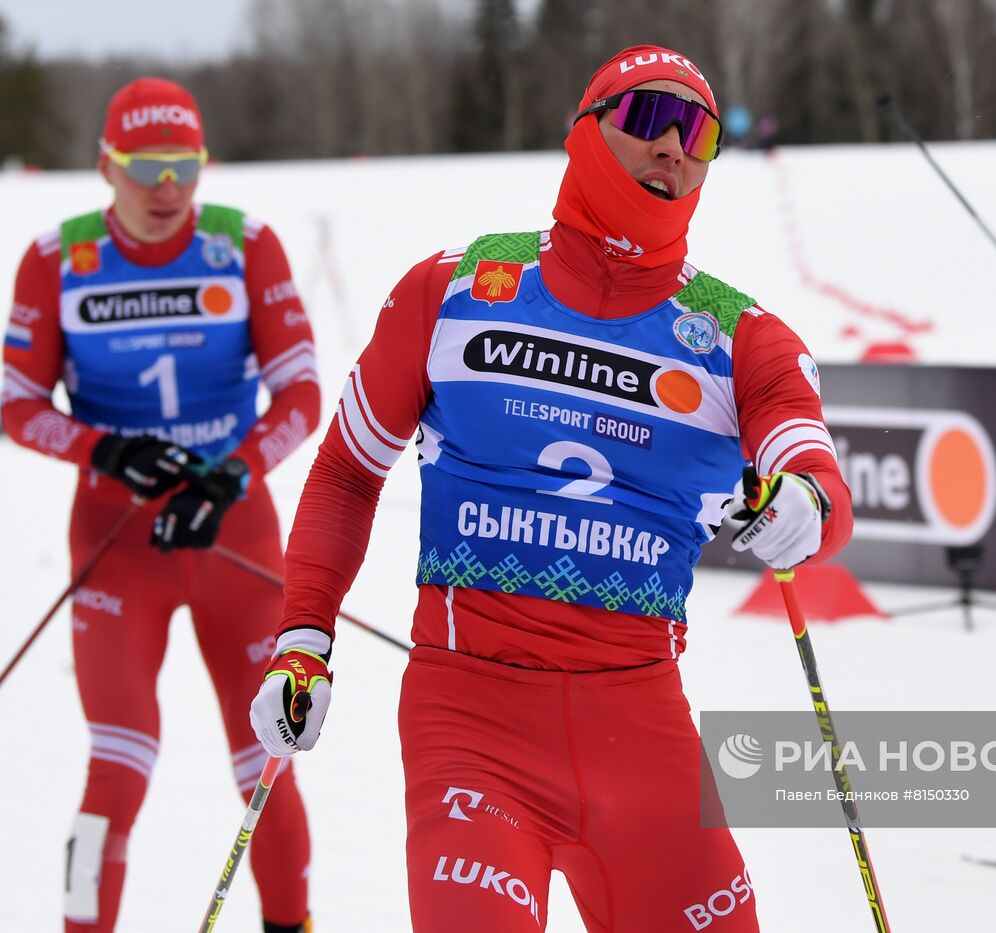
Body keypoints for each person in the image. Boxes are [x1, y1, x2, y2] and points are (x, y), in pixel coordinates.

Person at [247, 45, 852, 931]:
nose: (673, 146)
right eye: (648, 118)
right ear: (585, 131)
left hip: (642, 729)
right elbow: (345, 469)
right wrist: (303, 640)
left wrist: (808, 501)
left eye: (699, 132)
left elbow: (812, 464)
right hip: (472, 720)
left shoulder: (737, 336)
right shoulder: (453, 290)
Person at [1, 77, 320, 932]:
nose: (167, 188)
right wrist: (107, 448)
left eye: (185, 165)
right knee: (116, 767)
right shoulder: (56, 258)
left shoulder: (244, 244)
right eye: (146, 167)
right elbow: (15, 402)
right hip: (118, 544)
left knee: (266, 765)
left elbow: (301, 394)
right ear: (107, 166)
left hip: (236, 535)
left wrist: (230, 473)